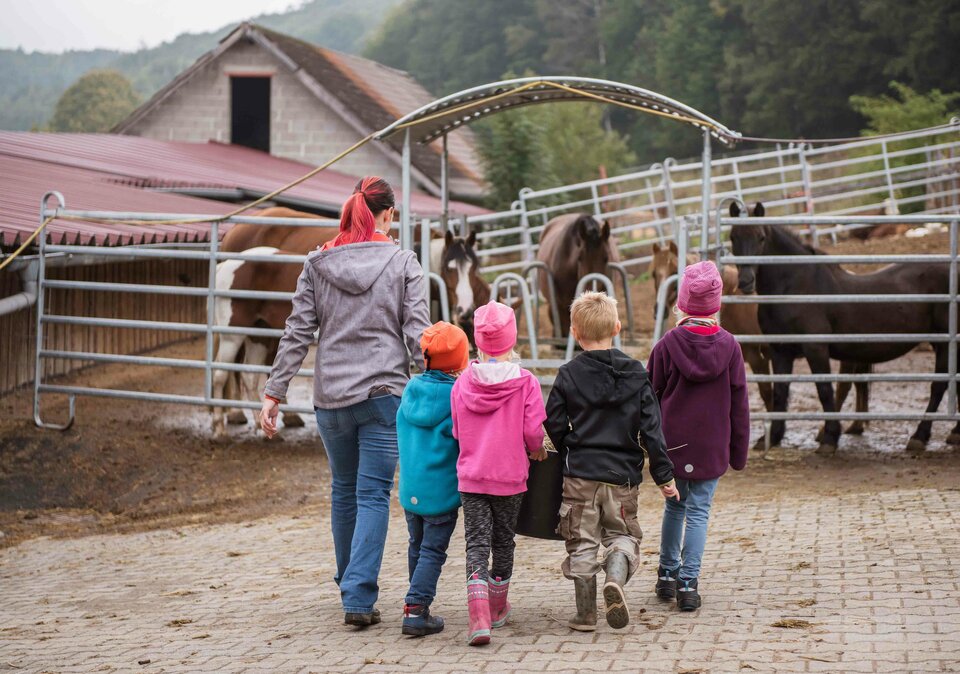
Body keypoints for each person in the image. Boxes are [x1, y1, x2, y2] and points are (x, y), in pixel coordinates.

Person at [259, 176, 430, 627]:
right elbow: (417, 333)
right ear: (388, 214)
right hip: (382, 395)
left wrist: (275, 392)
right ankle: (357, 594)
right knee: (372, 494)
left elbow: (297, 332)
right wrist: (440, 384)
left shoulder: (317, 263)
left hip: (331, 398)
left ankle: (350, 582)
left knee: (344, 491)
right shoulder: (403, 262)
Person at [544, 291, 678, 631]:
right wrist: (664, 475)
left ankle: (586, 615)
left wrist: (557, 459)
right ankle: (616, 573)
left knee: (582, 542)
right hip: (623, 477)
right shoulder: (636, 373)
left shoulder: (568, 374)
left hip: (580, 476)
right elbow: (652, 429)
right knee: (622, 534)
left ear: (574, 332)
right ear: (617, 327)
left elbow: (554, 426)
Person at [646, 260, 750, 611]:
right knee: (700, 512)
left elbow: (650, 396)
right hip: (711, 445)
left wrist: (647, 444)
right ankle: (688, 585)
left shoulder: (666, 345)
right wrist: (738, 453)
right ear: (717, 304)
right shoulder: (731, 347)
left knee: (674, 508)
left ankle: (666, 576)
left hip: (674, 444)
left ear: (681, 303)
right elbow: (740, 404)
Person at [451, 300, 547, 646]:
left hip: (473, 478)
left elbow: (459, 432)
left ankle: (477, 616)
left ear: (478, 342)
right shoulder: (526, 382)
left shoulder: (462, 384)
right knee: (503, 541)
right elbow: (534, 431)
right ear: (512, 341)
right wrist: (536, 448)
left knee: (475, 543)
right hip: (509, 479)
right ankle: (498, 605)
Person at [395, 321, 469, 637]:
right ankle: (416, 607)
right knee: (433, 551)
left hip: (411, 489)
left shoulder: (409, 391)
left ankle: (418, 601)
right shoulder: (457, 398)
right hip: (441, 493)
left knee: (418, 544)